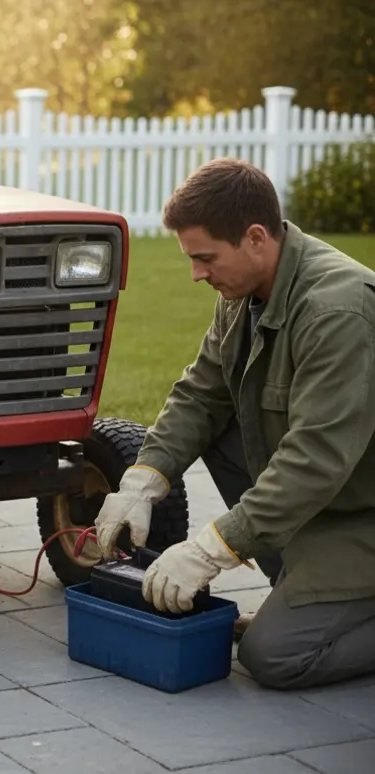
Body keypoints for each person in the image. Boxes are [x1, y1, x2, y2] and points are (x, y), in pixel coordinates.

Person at [92, 157, 375, 691]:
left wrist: (210, 550)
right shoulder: (242, 294)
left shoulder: (336, 311)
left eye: (205, 258)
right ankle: (305, 590)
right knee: (221, 424)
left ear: (255, 238)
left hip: (361, 517)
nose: (196, 274)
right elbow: (200, 394)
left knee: (274, 657)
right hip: (328, 503)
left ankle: (320, 602)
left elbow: (314, 461)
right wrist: (141, 482)